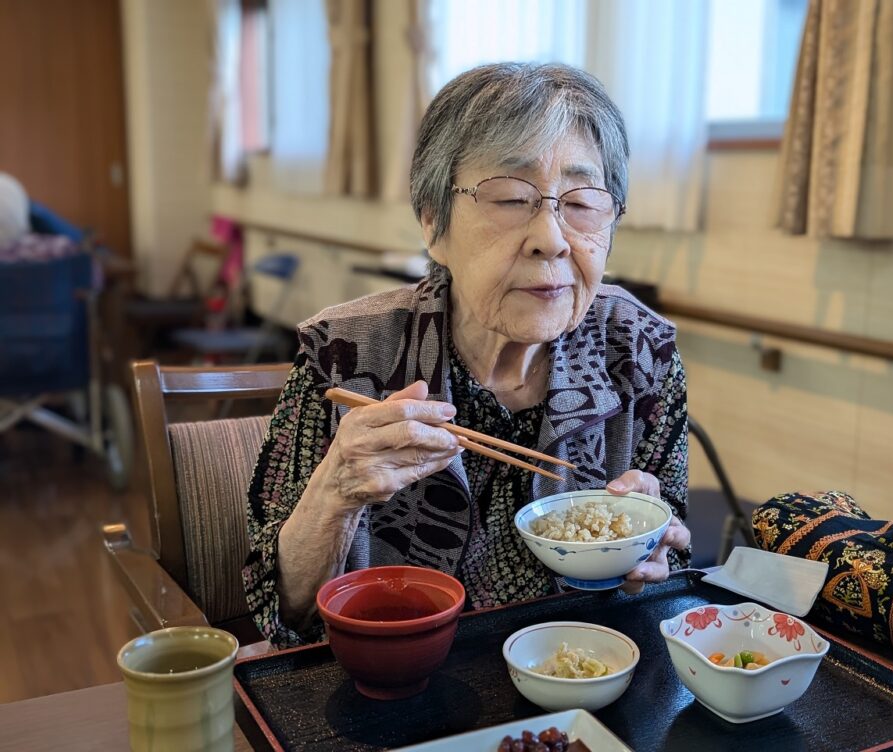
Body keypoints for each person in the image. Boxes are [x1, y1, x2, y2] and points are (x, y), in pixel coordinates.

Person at [243, 62, 691, 648]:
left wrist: (653, 553)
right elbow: (281, 611)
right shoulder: (344, 356)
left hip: (583, 679)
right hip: (399, 685)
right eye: (510, 197)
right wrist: (336, 492)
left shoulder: (640, 352)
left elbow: (673, 563)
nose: (552, 238)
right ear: (433, 223)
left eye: (583, 202)